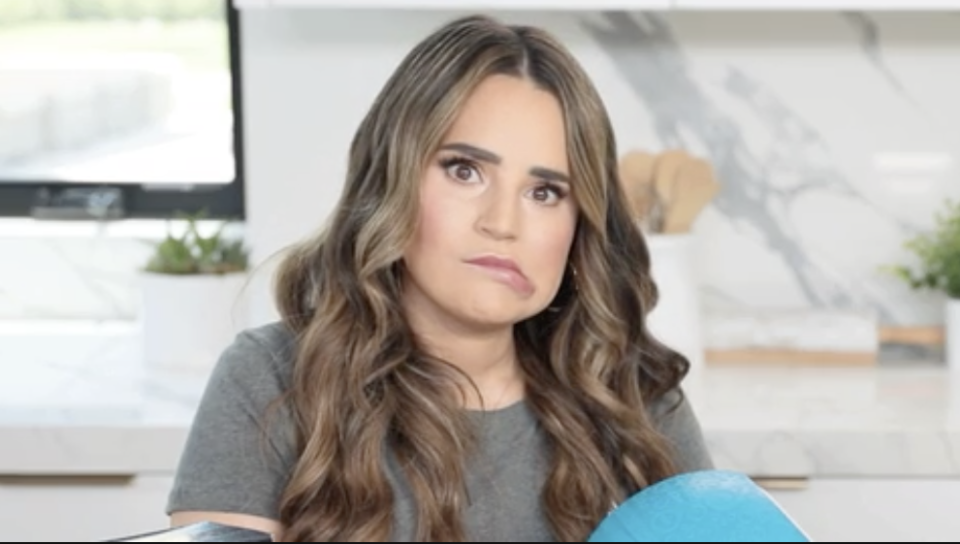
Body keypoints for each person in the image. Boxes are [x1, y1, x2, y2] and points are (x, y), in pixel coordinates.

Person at [166, 13, 713, 543]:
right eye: (464, 170)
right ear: (391, 178)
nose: (502, 223)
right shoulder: (269, 380)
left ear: (580, 227)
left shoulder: (637, 397)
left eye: (544, 192)